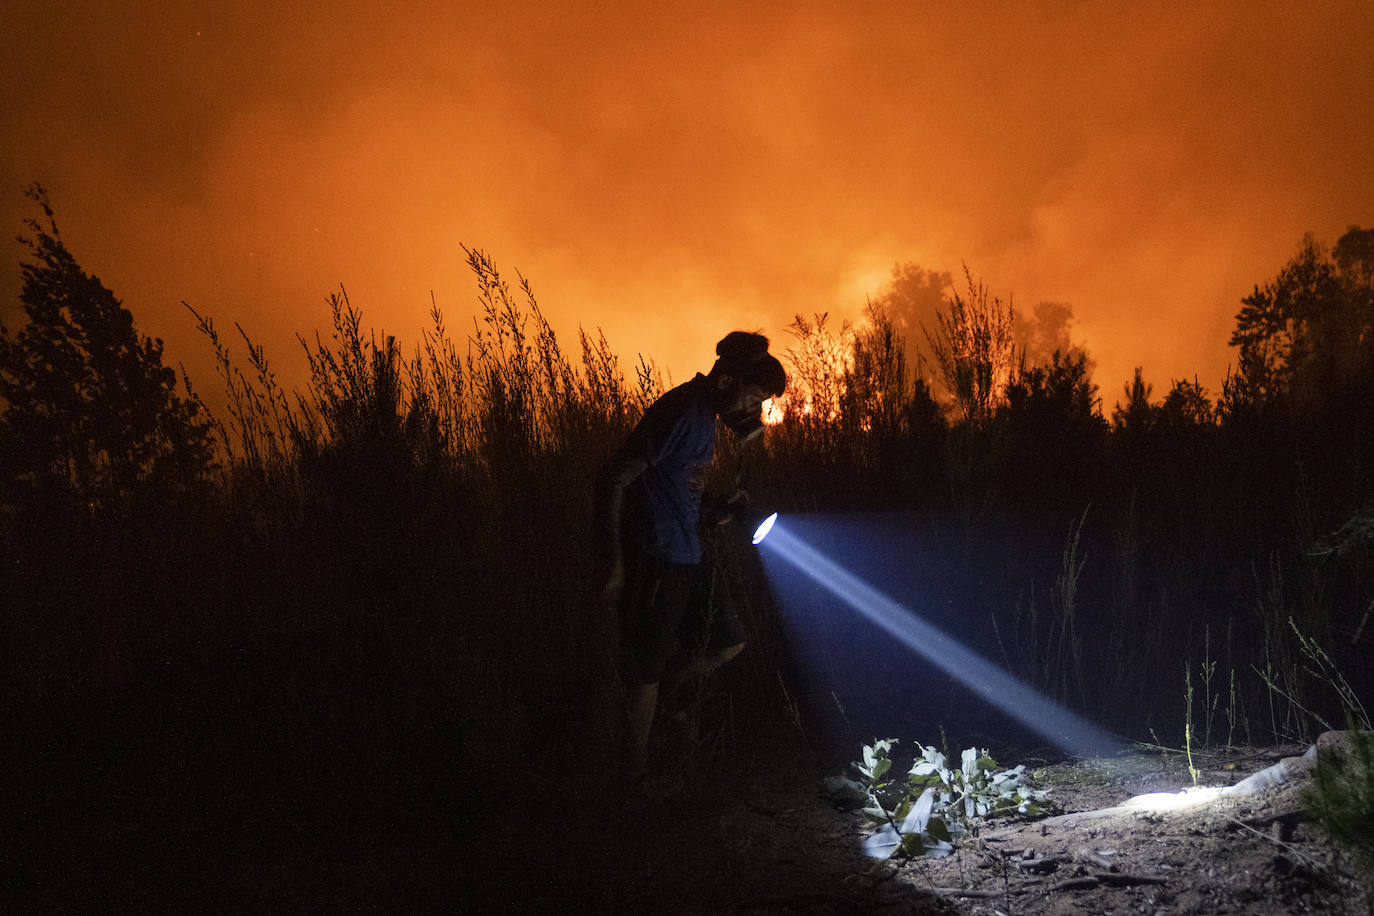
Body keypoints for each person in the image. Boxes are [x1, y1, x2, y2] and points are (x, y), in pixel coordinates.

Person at [595, 331, 787, 788]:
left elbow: (672, 489)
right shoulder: (682, 411)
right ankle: (632, 785)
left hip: (687, 556)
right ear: (726, 380)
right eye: (753, 397)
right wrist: (613, 560)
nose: (753, 412)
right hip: (655, 558)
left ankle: (669, 695)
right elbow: (614, 477)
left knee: (729, 639)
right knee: (642, 673)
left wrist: (710, 510)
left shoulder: (706, 421)